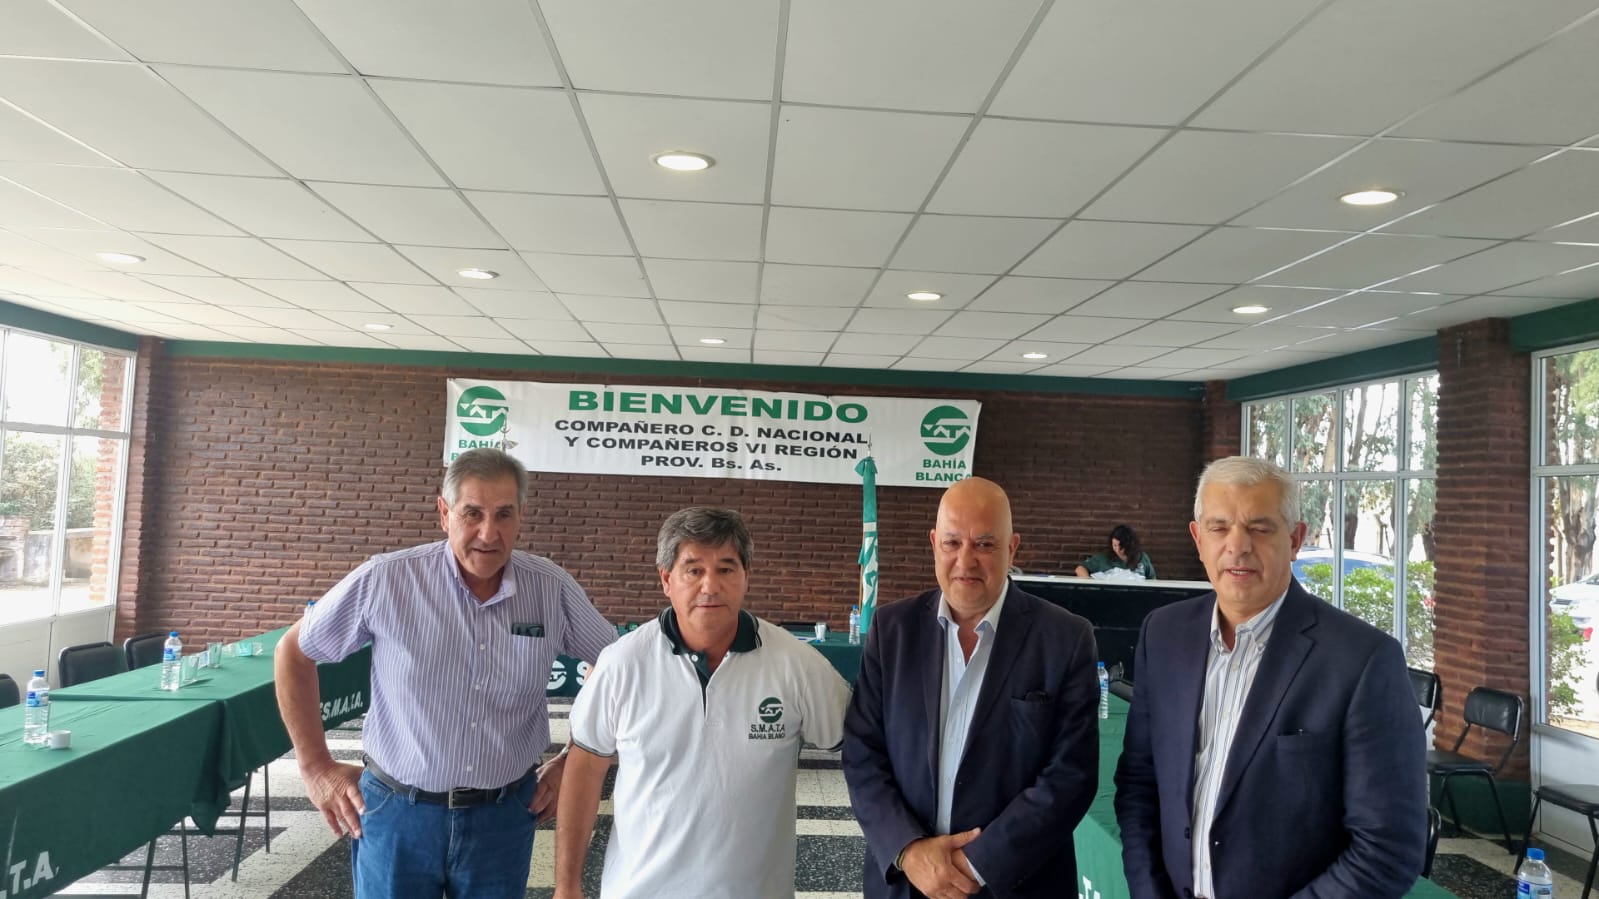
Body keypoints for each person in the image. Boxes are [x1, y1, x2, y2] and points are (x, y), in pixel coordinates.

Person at [274, 448, 616, 899]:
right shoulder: (386, 580)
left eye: (503, 514)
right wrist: (315, 767)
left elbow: (618, 668)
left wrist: (572, 760)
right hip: (397, 815)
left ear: (521, 516)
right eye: (472, 513)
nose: (488, 533)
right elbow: (294, 653)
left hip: (503, 818)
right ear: (444, 512)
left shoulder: (550, 589)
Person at [1113, 456, 1426, 898]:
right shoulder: (1163, 635)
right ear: (1198, 538)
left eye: (1259, 528)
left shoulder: (1363, 661)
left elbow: (1387, 849)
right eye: (1219, 527)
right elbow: (1139, 785)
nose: (1238, 546)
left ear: (1295, 539)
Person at [554, 507, 851, 899]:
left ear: (746, 575)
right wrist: (567, 886)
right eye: (693, 570)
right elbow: (585, 768)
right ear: (666, 579)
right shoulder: (622, 664)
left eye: (726, 569)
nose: (710, 586)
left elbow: (861, 749)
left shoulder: (796, 664)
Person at [843, 477, 1100, 899]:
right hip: (906, 882)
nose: (966, 560)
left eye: (984, 544)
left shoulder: (1066, 639)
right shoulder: (892, 631)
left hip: (1016, 884)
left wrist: (975, 864)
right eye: (952, 543)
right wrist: (910, 851)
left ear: (1012, 548)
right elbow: (862, 753)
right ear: (934, 543)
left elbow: (1071, 774)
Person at [1075, 524, 1156, 579]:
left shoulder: (1141, 557)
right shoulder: (1103, 557)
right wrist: (1089, 582)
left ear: (1130, 545)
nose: (1117, 550)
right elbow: (1080, 568)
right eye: (1115, 545)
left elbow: (1152, 579)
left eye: (1121, 547)